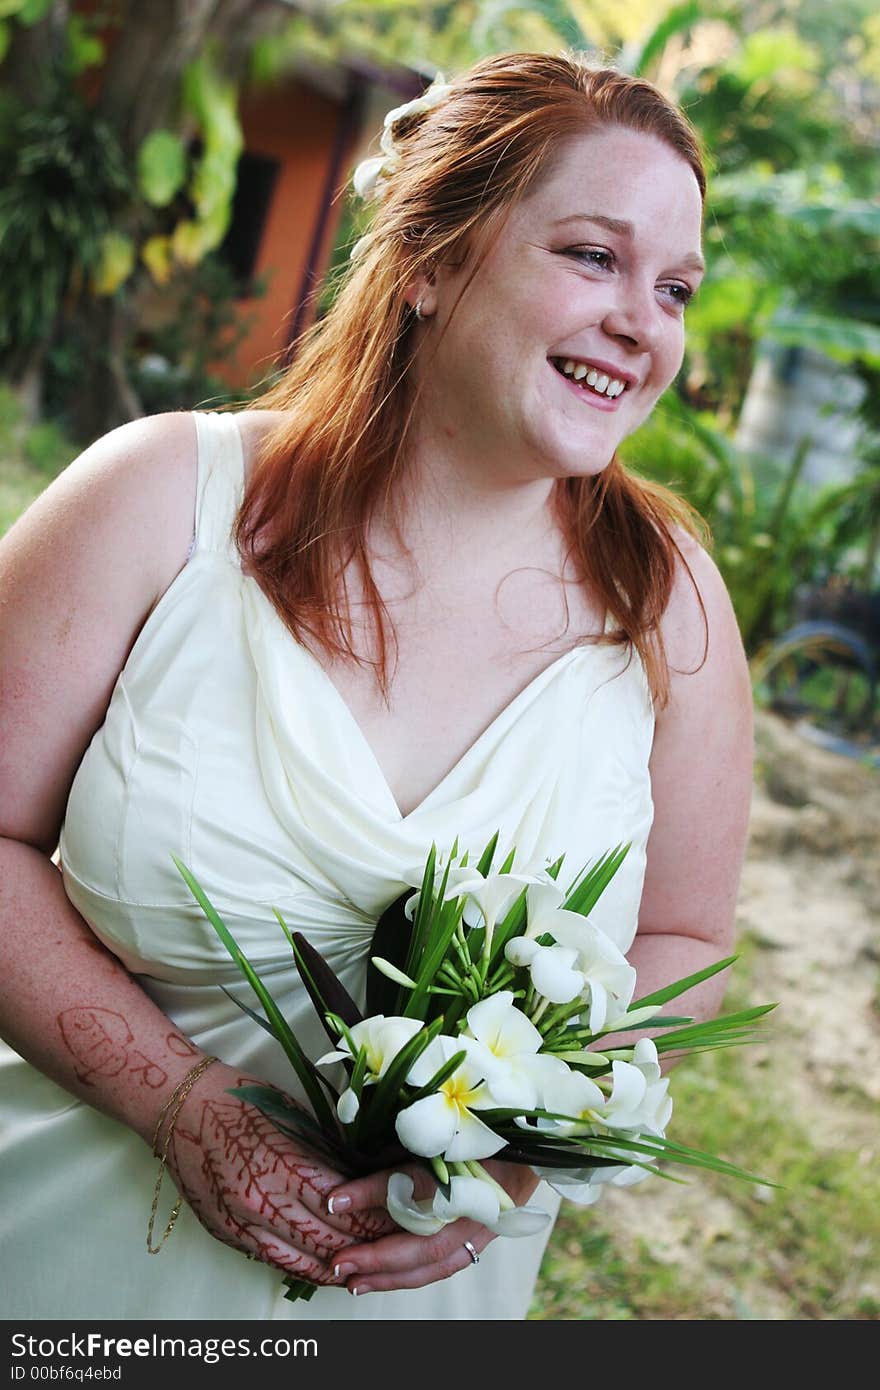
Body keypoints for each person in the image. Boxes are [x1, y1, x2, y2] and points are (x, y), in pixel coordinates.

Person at [0, 51, 753, 1320]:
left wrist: (515, 1148)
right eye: (592, 256)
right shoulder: (155, 501)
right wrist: (178, 1097)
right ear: (428, 259)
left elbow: (682, 945)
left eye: (673, 286)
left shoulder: (668, 604)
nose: (646, 322)